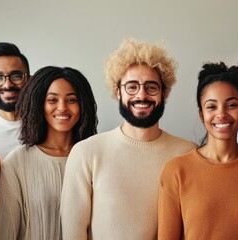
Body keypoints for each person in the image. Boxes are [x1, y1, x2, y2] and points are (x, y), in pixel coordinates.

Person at [60, 38, 197, 240]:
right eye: (132, 87)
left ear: (164, 92)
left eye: (151, 87)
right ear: (118, 91)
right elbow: (73, 232)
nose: (141, 95)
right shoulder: (87, 152)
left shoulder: (187, 153)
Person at [158, 62, 238, 239]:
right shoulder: (176, 171)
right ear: (201, 114)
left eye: (231, 105)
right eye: (212, 106)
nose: (221, 114)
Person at [0, 66, 98, 239]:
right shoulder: (17, 163)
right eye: (52, 100)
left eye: (71, 100)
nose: (62, 107)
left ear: (83, 105)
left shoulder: (96, 157)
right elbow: (4, 232)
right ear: (38, 103)